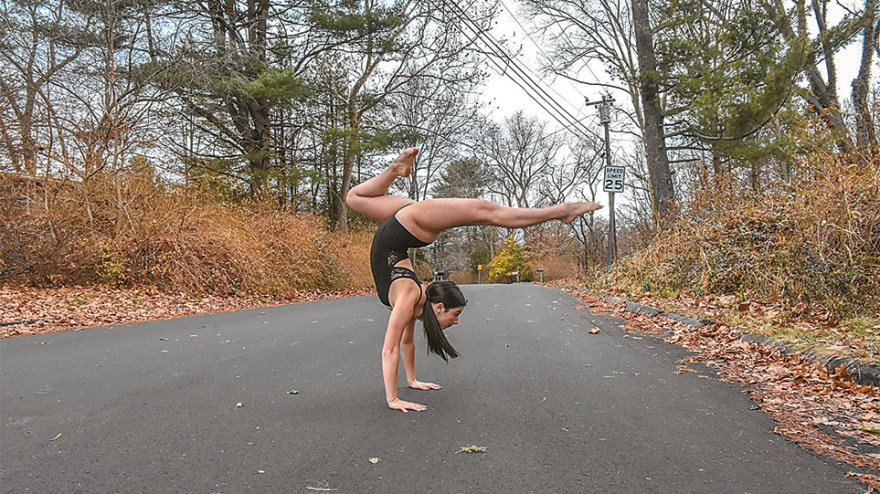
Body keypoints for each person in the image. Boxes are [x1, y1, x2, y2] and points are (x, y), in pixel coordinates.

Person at [346, 147, 602, 412]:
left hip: (405, 222)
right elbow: (404, 343)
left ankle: (562, 211)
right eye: (458, 315)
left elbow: (394, 347)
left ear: (439, 307)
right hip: (404, 225)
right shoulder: (413, 299)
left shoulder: (410, 299)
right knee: (356, 198)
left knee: (485, 210)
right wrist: (405, 387)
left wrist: (398, 394)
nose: (456, 321)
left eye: (454, 314)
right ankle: (395, 169)